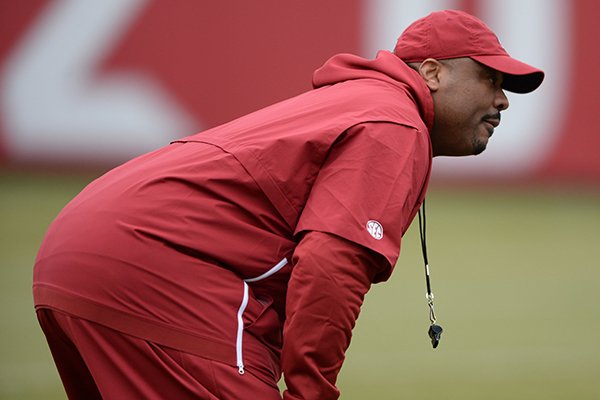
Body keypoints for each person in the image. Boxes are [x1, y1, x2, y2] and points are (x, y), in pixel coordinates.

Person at [33, 9, 544, 400]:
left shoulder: (361, 102)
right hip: (156, 274)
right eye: (492, 80)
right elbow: (330, 265)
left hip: (77, 257)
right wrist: (311, 394)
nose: (503, 100)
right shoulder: (394, 123)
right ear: (431, 73)